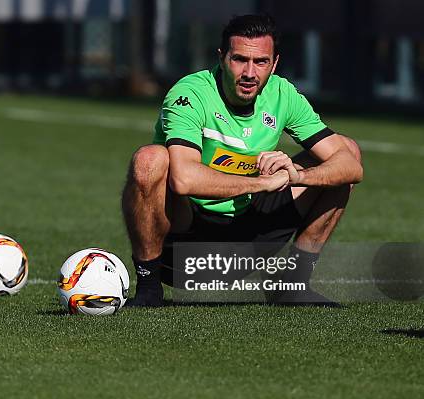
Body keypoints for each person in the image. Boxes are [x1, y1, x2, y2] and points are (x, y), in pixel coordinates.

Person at [121, 14, 363, 307]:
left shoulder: (282, 94)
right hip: (183, 247)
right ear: (222, 58)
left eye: (260, 62)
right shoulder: (191, 93)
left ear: (274, 64)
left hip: (250, 238)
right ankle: (148, 288)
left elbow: (351, 165)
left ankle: (293, 284)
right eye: (239, 60)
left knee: (344, 153)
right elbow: (183, 179)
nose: (249, 72)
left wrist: (296, 177)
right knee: (150, 158)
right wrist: (261, 182)